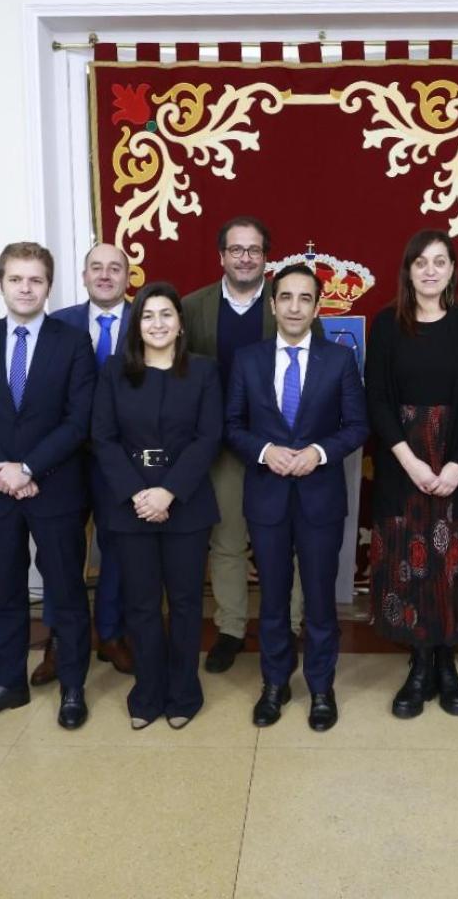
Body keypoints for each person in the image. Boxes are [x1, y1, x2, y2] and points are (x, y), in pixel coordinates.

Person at [0, 242, 96, 730]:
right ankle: (8, 682)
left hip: (56, 488)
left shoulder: (73, 342)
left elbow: (79, 421)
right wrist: (4, 469)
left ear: (49, 286)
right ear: (1, 283)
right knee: (6, 591)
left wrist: (28, 468)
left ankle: (73, 685)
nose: (26, 288)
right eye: (16, 279)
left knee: (66, 592)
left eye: (35, 280)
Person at [226, 263, 369, 731]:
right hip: (267, 497)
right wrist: (266, 452)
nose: (294, 306)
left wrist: (319, 452)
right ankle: (274, 683)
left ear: (316, 306)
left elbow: (357, 426)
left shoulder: (339, 360)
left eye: (304, 298)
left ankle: (321, 687)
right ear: (272, 304)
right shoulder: (248, 359)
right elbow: (232, 426)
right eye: (285, 297)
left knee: (321, 599)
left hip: (320, 499)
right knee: (271, 598)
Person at [366, 229, 458, 719]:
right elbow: (376, 398)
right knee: (411, 566)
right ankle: (419, 665)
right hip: (405, 464)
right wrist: (411, 461)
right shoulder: (386, 324)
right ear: (408, 269)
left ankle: (448, 665)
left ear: (452, 270)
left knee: (455, 566)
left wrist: (457, 464)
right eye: (420, 261)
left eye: (439, 261)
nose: (429, 270)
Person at [91, 282, 224, 730]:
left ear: (181, 323)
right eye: (148, 316)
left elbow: (209, 437)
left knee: (186, 602)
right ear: (137, 323)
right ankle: (147, 691)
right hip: (130, 505)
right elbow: (103, 438)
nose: (158, 323)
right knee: (142, 604)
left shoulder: (203, 372)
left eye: (167, 314)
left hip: (185, 503)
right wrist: (137, 493)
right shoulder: (114, 371)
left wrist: (169, 492)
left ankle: (185, 691)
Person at [181, 215, 298, 672]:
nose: (245, 257)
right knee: (227, 542)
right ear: (222, 256)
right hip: (221, 445)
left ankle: (289, 622)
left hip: (280, 448)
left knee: (283, 540)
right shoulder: (193, 308)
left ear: (266, 258)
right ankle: (230, 628)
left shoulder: (288, 304)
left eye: (254, 250)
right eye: (237, 249)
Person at [41, 243, 137, 684]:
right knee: (58, 552)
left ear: (127, 276)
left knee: (118, 550)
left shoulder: (149, 320)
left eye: (114, 268)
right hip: (65, 459)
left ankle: (112, 633)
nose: (104, 275)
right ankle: (60, 642)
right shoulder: (57, 324)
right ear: (82, 276)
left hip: (121, 460)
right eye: (96, 268)